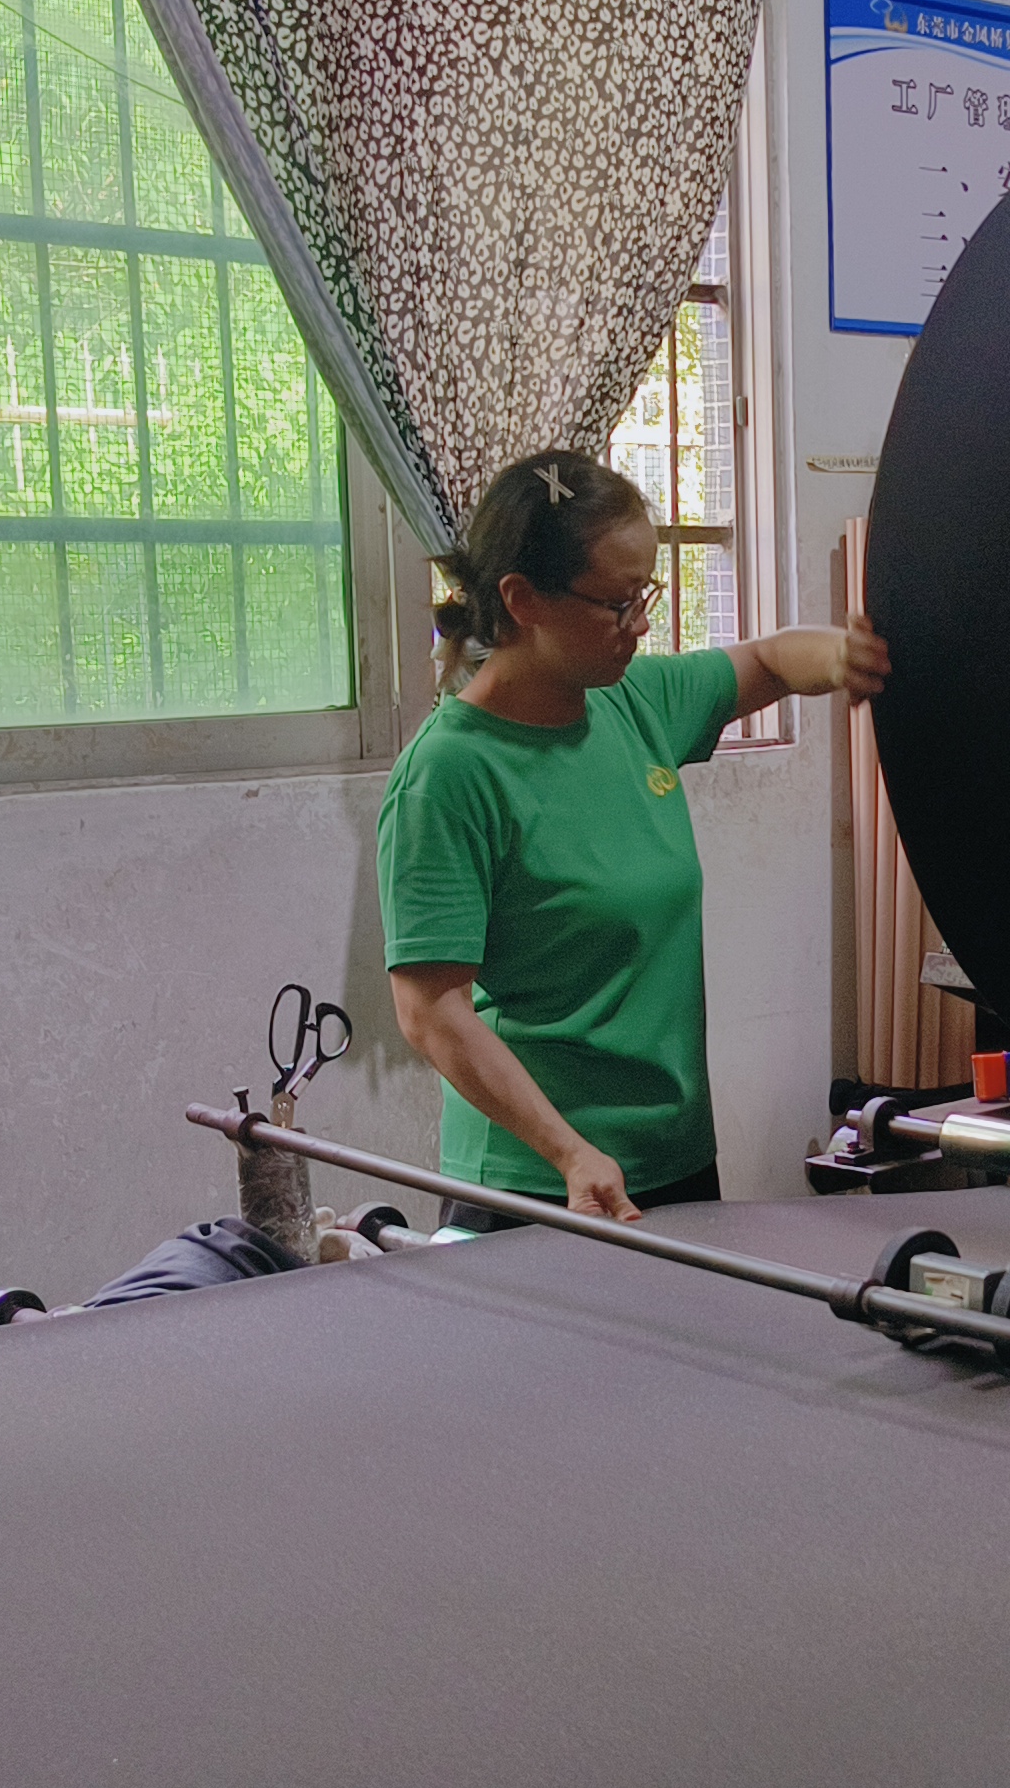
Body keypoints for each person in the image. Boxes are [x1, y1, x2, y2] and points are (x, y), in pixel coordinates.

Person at [379, 450, 890, 1228]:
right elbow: (431, 1011)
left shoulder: (633, 704)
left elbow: (769, 659)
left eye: (644, 593)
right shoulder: (450, 773)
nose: (641, 624)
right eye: (617, 604)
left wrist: (843, 656)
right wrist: (569, 1153)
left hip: (674, 1159)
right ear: (522, 600)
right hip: (537, 1184)